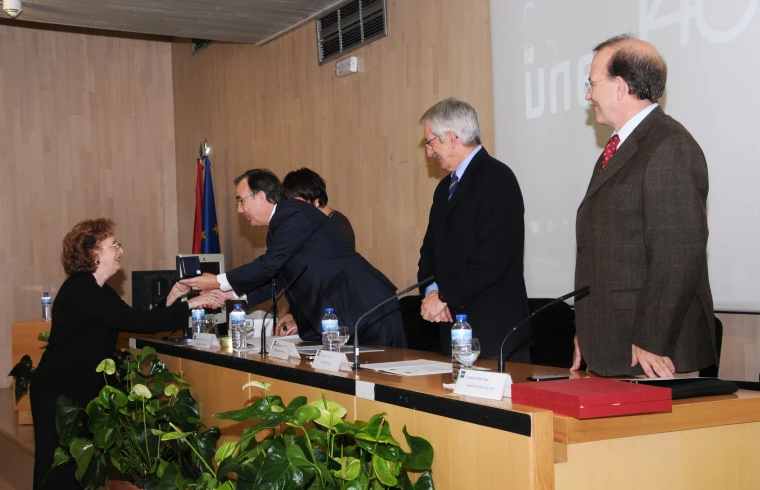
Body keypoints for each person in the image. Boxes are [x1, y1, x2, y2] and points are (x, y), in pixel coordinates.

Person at [30, 218, 223, 490]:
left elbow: (135, 320)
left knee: (63, 482)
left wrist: (172, 299)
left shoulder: (97, 290)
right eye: (114, 246)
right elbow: (139, 324)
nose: (121, 250)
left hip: (66, 393)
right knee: (66, 481)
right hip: (60, 397)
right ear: (94, 253)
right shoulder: (84, 291)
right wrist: (193, 304)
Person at [572, 34, 717, 378]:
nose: (588, 94)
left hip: (651, 354)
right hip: (614, 346)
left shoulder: (669, 146)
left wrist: (653, 337)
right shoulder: (621, 147)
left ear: (619, 87)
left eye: (592, 84)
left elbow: (679, 253)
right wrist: (590, 331)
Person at [186, 169, 407, 347]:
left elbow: (269, 265)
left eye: (241, 201)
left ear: (261, 196)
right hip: (350, 314)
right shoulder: (281, 222)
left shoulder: (292, 214)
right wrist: (228, 294)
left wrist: (217, 281)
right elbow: (281, 278)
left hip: (366, 310)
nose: (238, 210)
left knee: (384, 381)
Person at [417, 98, 531, 360]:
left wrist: (444, 296)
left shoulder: (498, 179)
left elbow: (492, 258)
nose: (429, 152)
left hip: (494, 333)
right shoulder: (444, 188)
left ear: (451, 137)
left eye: (430, 142)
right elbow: (430, 249)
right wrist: (431, 290)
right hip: (453, 329)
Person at [276, 167, 356, 336]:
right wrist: (293, 313)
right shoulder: (313, 226)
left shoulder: (337, 227)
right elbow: (305, 278)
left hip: (335, 319)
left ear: (316, 200)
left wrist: (301, 320)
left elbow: (328, 284)